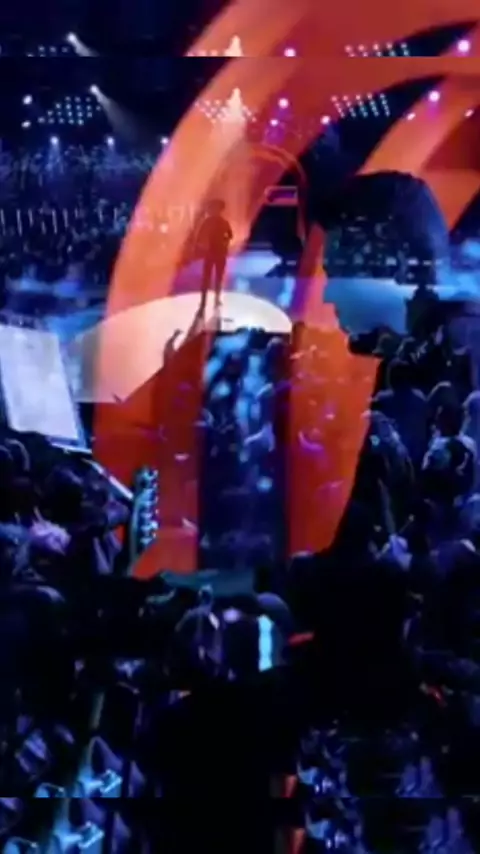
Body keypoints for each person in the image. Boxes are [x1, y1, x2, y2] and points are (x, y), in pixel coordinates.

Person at [195, 199, 233, 310]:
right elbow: (199, 237)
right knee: (209, 278)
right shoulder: (211, 222)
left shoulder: (219, 222)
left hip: (217, 253)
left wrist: (224, 241)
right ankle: (205, 301)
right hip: (213, 253)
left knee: (216, 278)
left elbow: (230, 235)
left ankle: (212, 300)